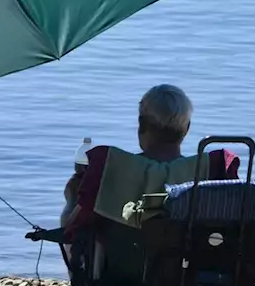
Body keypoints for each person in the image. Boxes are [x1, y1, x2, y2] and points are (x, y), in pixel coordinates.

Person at [61, 84, 193, 227]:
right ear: (187, 129)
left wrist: (72, 199)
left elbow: (69, 233)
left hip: (118, 249)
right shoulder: (202, 176)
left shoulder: (109, 171)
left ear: (141, 124)